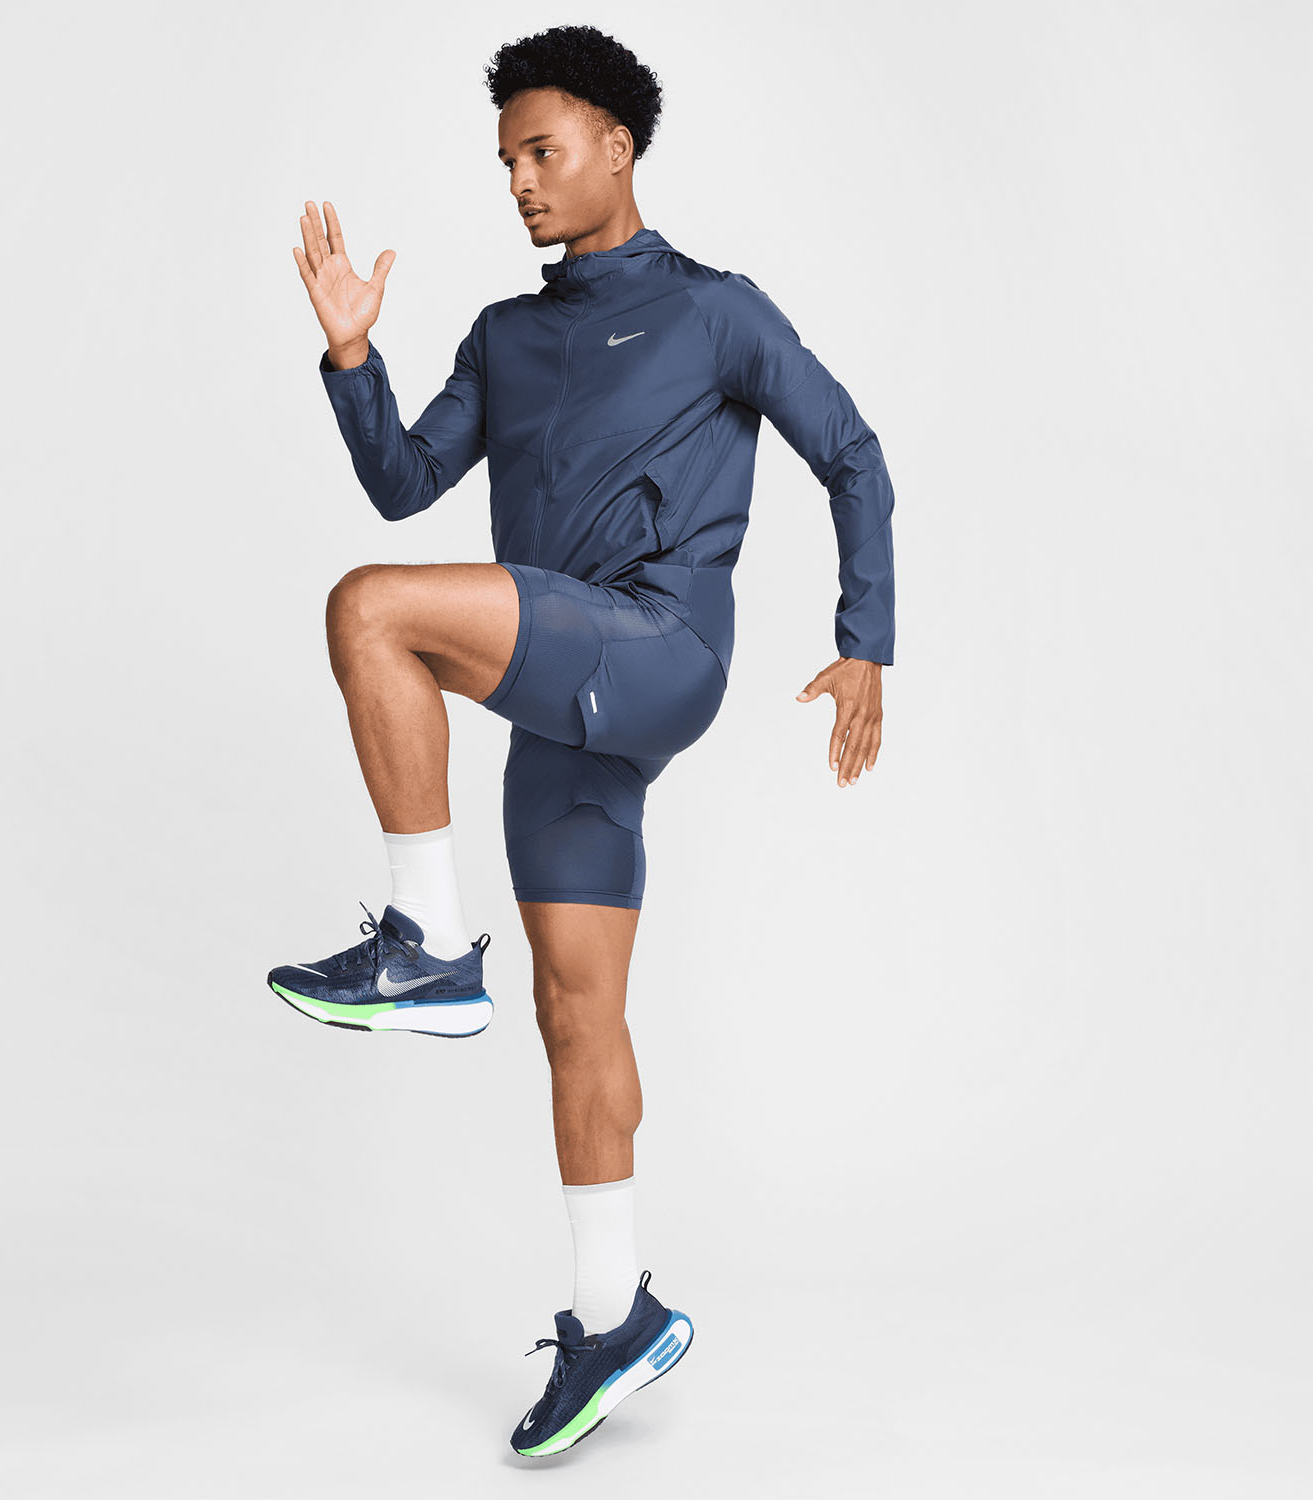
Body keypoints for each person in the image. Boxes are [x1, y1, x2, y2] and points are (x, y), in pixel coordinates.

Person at [267, 23, 896, 1458]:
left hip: (657, 647)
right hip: (565, 691)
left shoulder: (716, 312)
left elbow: (852, 453)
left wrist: (865, 636)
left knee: (369, 611)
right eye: (506, 162)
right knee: (574, 1010)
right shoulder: (505, 335)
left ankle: (427, 943)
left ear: (618, 147)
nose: (521, 183)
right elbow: (403, 484)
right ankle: (615, 1314)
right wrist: (354, 353)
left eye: (543, 153)